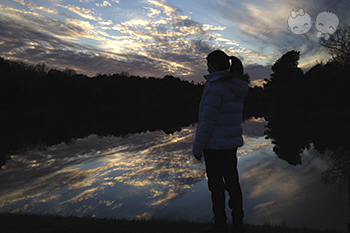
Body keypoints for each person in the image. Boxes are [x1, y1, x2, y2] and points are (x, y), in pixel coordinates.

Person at [192, 50, 249, 232]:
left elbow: (208, 120)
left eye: (209, 64)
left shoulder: (216, 86)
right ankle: (238, 222)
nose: (207, 67)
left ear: (215, 65)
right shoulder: (235, 85)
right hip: (230, 145)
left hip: (215, 146)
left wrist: (198, 147)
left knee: (216, 185)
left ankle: (220, 222)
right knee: (232, 182)